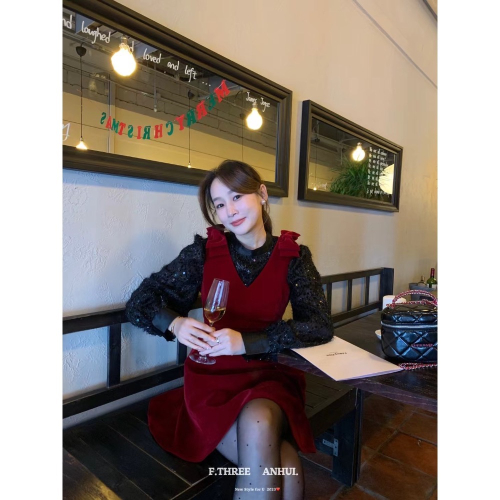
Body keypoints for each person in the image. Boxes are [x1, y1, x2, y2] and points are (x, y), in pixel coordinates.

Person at [126, 160, 334, 499]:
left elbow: (319, 325)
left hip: (267, 376)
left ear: (262, 194)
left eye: (237, 197)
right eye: (220, 204)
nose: (230, 211)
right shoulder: (205, 252)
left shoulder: (293, 256)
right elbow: (140, 302)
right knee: (288, 467)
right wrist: (175, 323)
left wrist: (247, 342)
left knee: (261, 422)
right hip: (212, 379)